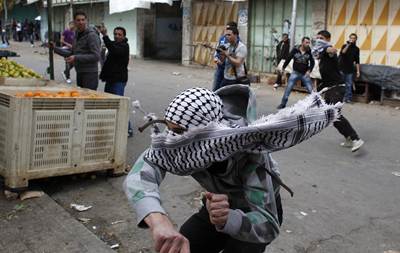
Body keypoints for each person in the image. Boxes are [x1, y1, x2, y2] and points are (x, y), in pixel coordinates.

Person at [124, 85, 340, 253]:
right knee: (186, 241)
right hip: (214, 208)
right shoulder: (179, 145)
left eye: (179, 132)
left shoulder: (251, 159)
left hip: (255, 214)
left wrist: (229, 219)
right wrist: (158, 220)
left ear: (204, 135)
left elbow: (268, 226)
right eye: (170, 129)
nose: (171, 139)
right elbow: (143, 172)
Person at [313, 30, 364, 152]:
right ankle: (348, 138)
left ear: (327, 39)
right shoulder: (321, 52)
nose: (318, 40)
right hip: (330, 87)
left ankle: (356, 139)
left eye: (321, 38)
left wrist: (328, 48)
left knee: (335, 113)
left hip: (337, 87)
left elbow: (332, 50)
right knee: (331, 116)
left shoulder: (327, 49)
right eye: (317, 38)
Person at [99, 26, 133, 137]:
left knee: (120, 105)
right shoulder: (114, 44)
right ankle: (112, 126)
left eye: (119, 34)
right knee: (108, 104)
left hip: (118, 80)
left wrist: (104, 35)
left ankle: (128, 129)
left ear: (124, 36)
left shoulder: (124, 46)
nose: (117, 36)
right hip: (110, 79)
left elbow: (114, 50)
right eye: (115, 34)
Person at [277, 37, 315, 109]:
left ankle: (316, 104)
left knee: (311, 90)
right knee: (288, 89)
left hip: (304, 74)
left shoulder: (309, 51)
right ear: (302, 42)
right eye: (306, 42)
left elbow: (312, 63)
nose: (308, 44)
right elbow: (288, 58)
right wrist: (283, 68)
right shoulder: (295, 50)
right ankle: (283, 104)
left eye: (308, 43)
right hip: (295, 73)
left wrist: (309, 71)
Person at [67, 11, 101, 90]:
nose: (81, 22)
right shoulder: (76, 35)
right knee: (81, 98)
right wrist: (55, 48)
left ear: (86, 21)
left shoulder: (91, 35)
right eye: (78, 20)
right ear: (74, 22)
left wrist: (76, 58)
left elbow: (96, 56)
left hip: (90, 74)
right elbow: (72, 53)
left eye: (83, 20)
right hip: (80, 72)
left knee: (88, 99)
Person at [212, 21, 239, 91]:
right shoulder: (222, 38)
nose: (227, 31)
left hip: (229, 70)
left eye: (228, 29)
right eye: (226, 28)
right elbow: (217, 49)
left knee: (226, 90)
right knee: (215, 88)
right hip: (220, 68)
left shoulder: (238, 41)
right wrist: (216, 58)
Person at [339, 33, 360, 103]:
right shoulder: (344, 46)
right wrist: (348, 44)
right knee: (341, 84)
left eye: (354, 38)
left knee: (349, 84)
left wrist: (358, 71)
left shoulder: (357, 49)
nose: (352, 39)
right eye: (351, 38)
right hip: (342, 67)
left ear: (356, 39)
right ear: (349, 38)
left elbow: (357, 61)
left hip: (350, 69)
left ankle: (348, 99)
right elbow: (343, 52)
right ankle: (340, 98)